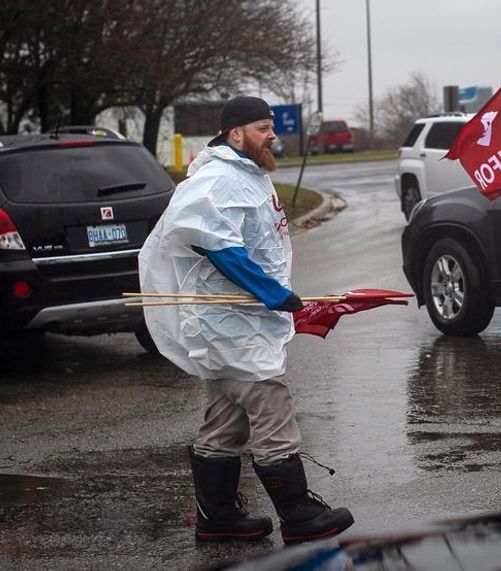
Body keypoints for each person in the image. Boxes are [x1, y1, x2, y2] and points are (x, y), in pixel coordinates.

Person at [138, 96, 354, 543]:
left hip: (237, 325)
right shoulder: (218, 179)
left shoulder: (246, 174)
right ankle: (298, 515)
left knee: (226, 420)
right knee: (272, 412)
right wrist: (272, 293)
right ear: (234, 133)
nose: (272, 134)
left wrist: (273, 296)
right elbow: (213, 244)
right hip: (231, 326)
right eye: (261, 127)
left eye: (271, 125)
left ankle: (216, 517)